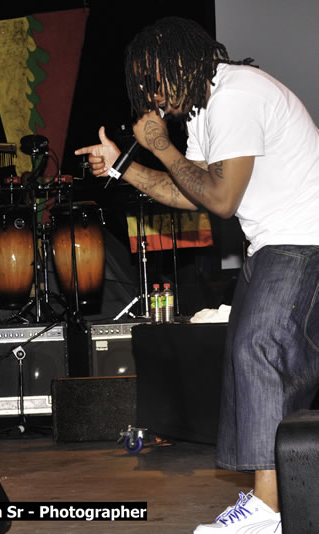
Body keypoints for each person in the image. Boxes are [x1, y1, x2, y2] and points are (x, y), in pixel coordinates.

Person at [75, 16, 319, 534]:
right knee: (255, 360)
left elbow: (222, 199)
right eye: (143, 85)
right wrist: (122, 167)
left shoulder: (236, 95)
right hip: (279, 242)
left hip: (303, 241)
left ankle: (269, 510)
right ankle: (279, 499)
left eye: (153, 80)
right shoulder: (210, 110)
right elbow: (188, 191)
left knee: (258, 352)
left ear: (180, 62)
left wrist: (161, 145)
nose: (151, 94)